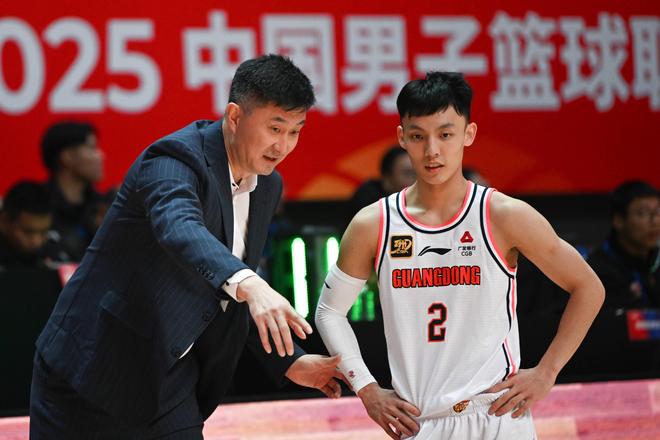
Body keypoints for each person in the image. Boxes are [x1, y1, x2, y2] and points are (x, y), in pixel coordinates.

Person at [30, 54, 344, 440]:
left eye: (295, 131)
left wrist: (291, 362)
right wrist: (251, 283)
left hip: (170, 378)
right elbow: (179, 228)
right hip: (92, 367)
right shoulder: (174, 158)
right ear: (234, 116)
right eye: (275, 128)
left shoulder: (267, 185)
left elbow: (229, 296)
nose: (283, 145)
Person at [315, 72, 604, 439]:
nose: (432, 150)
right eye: (418, 136)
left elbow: (589, 287)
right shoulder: (373, 224)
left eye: (445, 134)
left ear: (469, 133)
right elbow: (328, 311)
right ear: (402, 137)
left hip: (495, 416)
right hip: (419, 421)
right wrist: (366, 389)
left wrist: (547, 372)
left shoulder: (503, 215)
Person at [587, 181, 659, 309]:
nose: (655, 221)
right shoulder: (597, 271)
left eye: (658, 212)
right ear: (618, 221)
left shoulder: (655, 262)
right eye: (643, 213)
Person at [40, 121, 104, 260]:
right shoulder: (38, 205)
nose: (100, 155)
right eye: (92, 148)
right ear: (67, 156)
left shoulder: (104, 207)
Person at [0, 181, 67, 270]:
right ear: (4, 221)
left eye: (44, 232)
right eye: (28, 232)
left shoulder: (55, 251)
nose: (36, 242)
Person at [347, 145, 415, 223]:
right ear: (387, 179)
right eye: (408, 174)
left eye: (420, 173)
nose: (417, 181)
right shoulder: (368, 206)